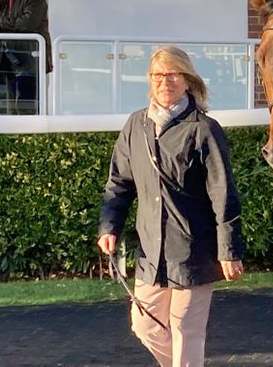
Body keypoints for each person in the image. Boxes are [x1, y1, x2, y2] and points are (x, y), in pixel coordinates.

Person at [97, 46, 244, 367]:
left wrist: (228, 250)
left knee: (185, 330)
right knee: (144, 324)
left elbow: (223, 194)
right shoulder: (136, 125)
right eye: (158, 75)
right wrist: (110, 227)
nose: (165, 81)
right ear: (150, 80)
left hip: (194, 250)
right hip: (151, 252)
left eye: (173, 74)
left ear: (188, 80)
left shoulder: (204, 129)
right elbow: (119, 184)